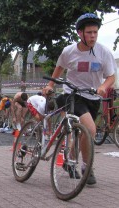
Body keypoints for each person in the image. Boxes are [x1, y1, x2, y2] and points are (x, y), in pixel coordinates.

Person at [43, 13, 117, 185]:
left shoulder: (103, 52)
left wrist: (103, 87)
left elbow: (111, 77)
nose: (92, 36)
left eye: (95, 33)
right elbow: (59, 68)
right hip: (72, 95)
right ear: (80, 33)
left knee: (81, 133)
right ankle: (87, 167)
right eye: (89, 32)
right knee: (89, 129)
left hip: (92, 96)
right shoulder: (69, 52)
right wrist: (50, 86)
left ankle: (70, 159)